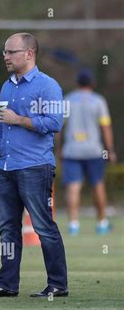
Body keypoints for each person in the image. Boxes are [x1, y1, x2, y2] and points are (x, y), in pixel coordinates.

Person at [0, 33, 68, 298]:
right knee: (7, 228)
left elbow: (55, 123)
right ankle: (7, 284)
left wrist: (19, 120)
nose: (5, 57)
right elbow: (0, 122)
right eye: (5, 52)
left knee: (43, 227)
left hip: (35, 167)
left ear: (29, 54)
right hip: (5, 167)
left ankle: (58, 285)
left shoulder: (48, 86)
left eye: (11, 52)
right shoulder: (7, 86)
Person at [58, 69, 116, 235]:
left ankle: (73, 225)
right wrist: (110, 150)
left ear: (77, 83)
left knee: (73, 187)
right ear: (92, 84)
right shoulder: (98, 101)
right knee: (98, 185)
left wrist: (59, 149)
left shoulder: (67, 100)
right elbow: (105, 128)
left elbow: (59, 128)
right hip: (93, 150)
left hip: (72, 151)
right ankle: (102, 223)